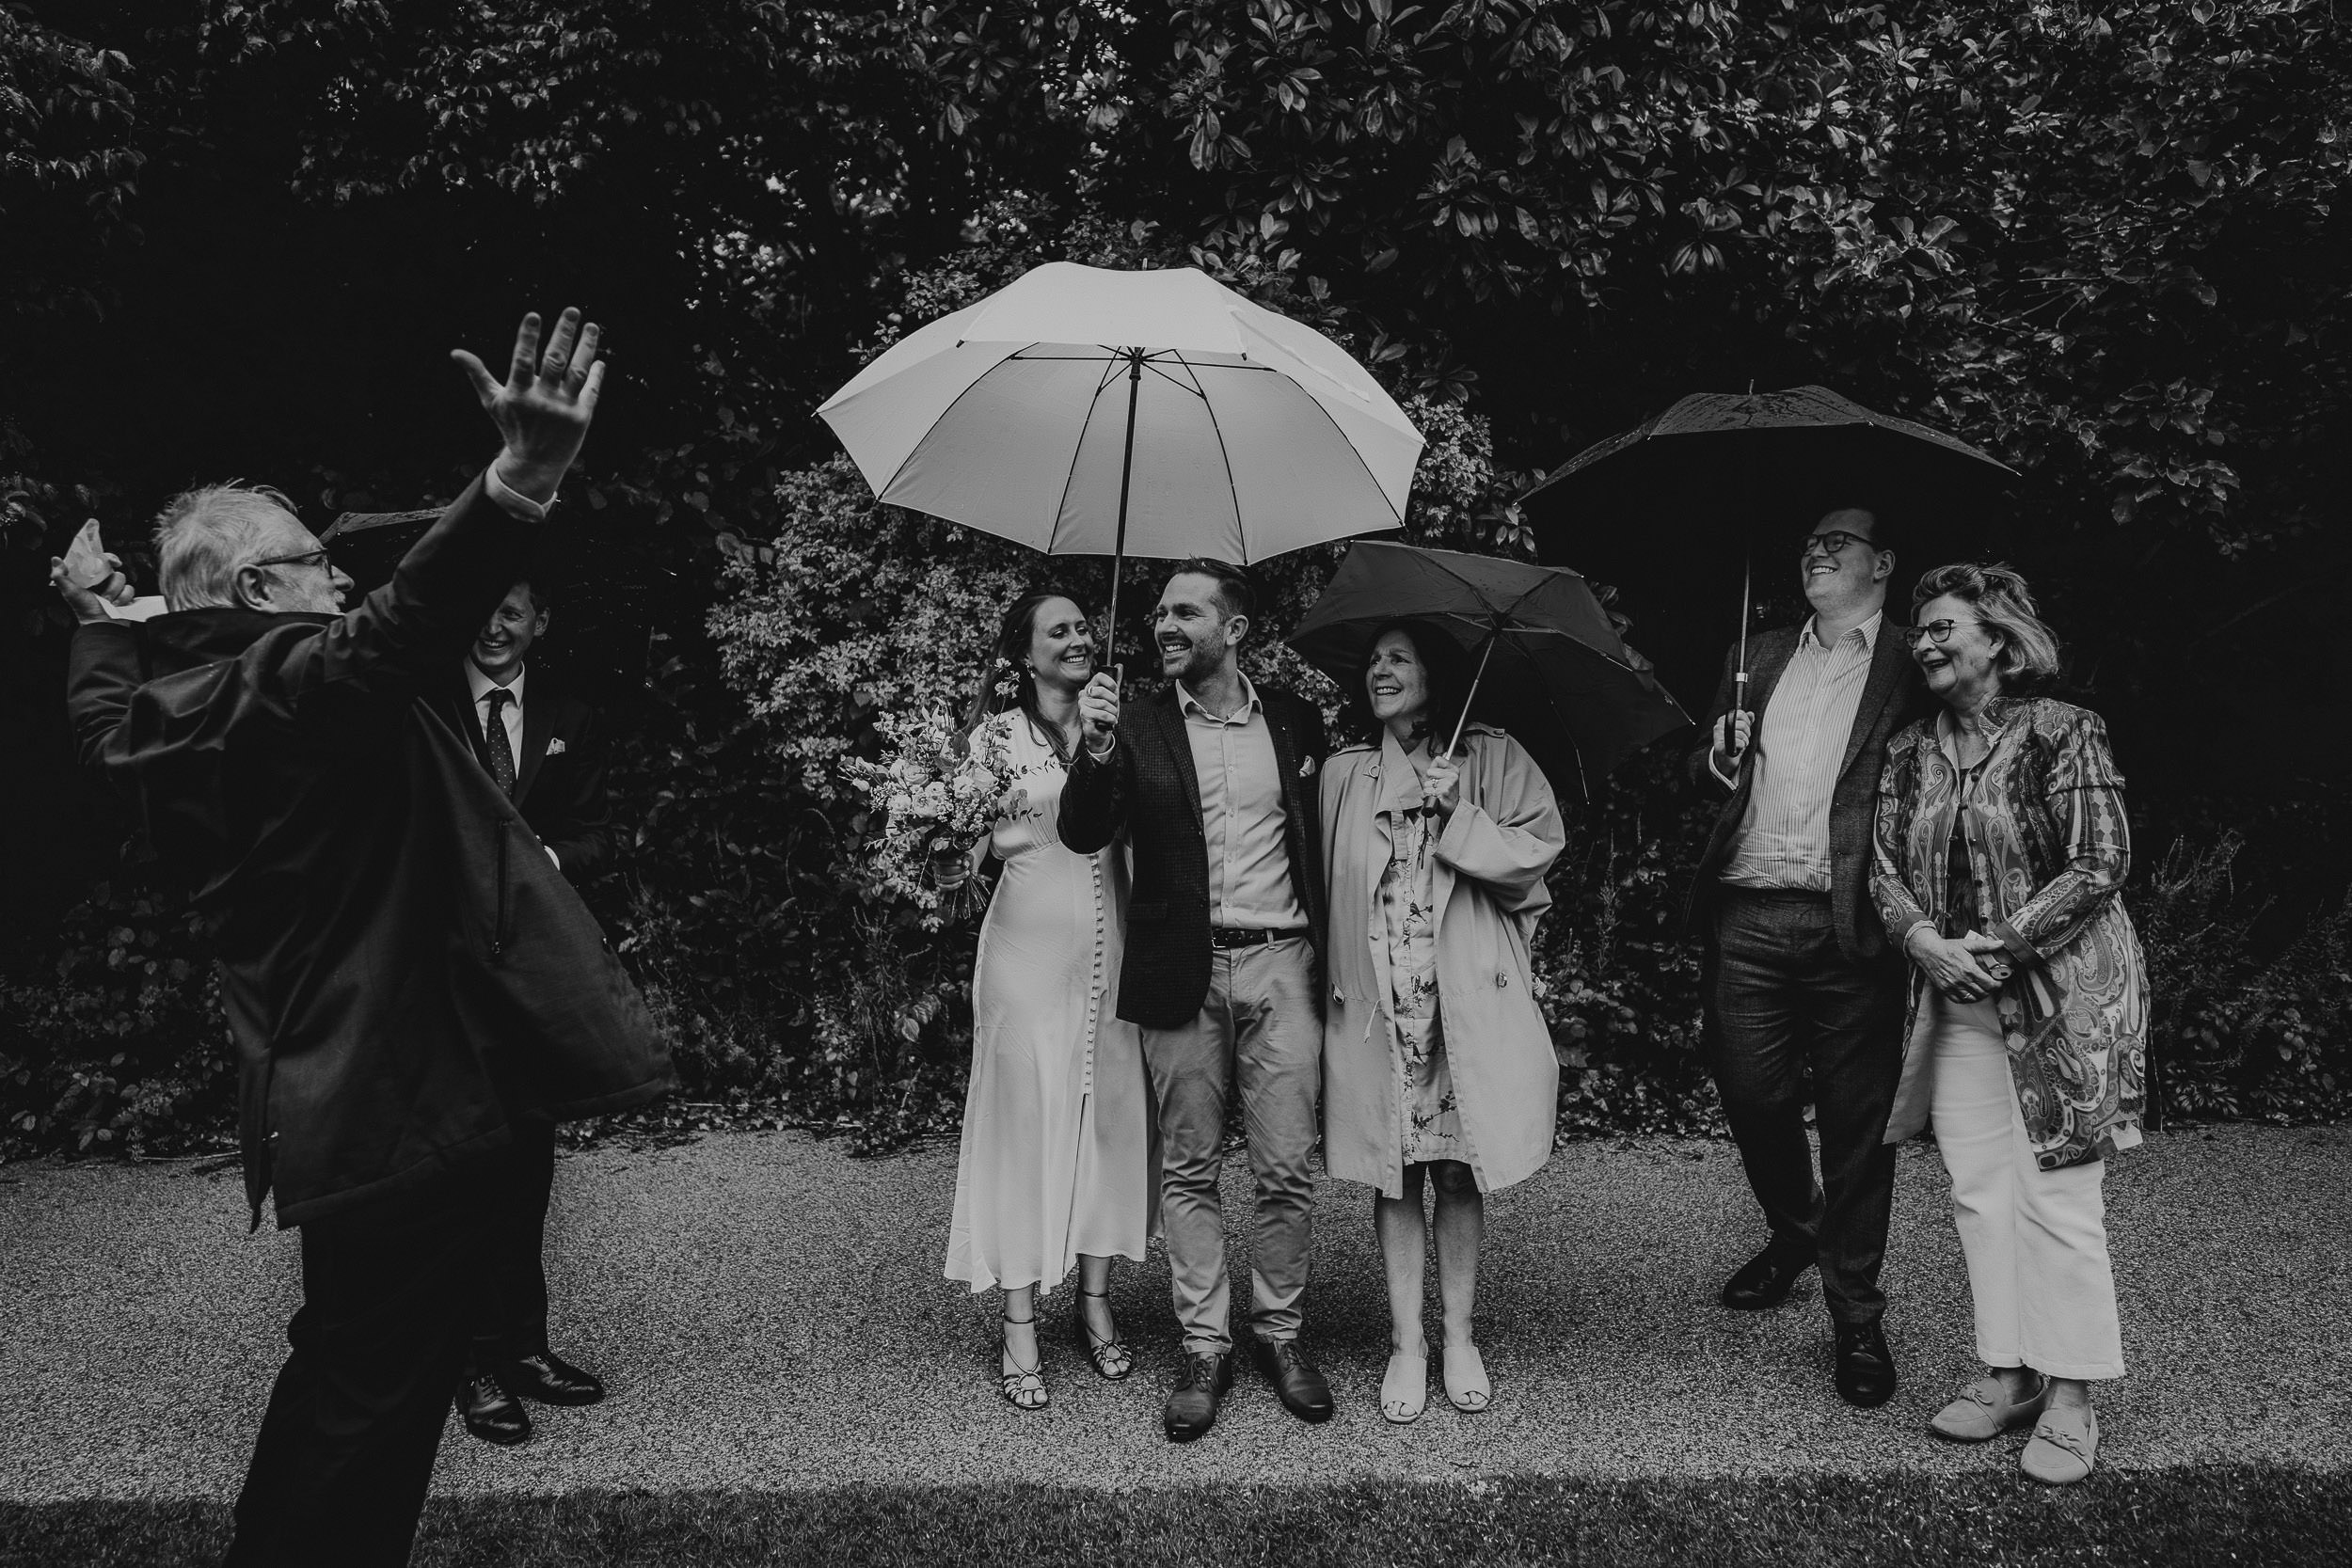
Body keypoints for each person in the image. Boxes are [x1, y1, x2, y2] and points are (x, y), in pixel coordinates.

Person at [52, 309, 673, 1567]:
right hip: (402, 1101)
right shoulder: (290, 685)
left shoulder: (162, 701)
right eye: (309, 562)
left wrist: (95, 604)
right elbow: (397, 626)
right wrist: (517, 483)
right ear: (252, 592)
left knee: (345, 1371)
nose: (334, 578)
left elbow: (106, 690)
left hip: (326, 1096)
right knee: (374, 1413)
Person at [1871, 562, 2144, 1485]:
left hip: (2060, 999)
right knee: (1981, 1190)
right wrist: (1923, 939)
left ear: (1997, 639)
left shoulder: (2063, 731)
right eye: (1921, 630)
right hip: (1952, 998)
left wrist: (2003, 938)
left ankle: (2070, 1393)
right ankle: (2009, 1367)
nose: (1928, 641)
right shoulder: (1909, 747)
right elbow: (1880, 865)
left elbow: (2100, 858)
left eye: (1945, 625)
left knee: (2060, 1197)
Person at [1059, 558, 1332, 1443]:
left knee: (1287, 1164)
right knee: (1190, 1168)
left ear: (1235, 628)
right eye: (1158, 615)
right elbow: (1083, 830)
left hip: (1282, 962)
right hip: (1181, 971)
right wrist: (1094, 751)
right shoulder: (1131, 722)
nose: (1164, 627)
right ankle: (1204, 1345)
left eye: (1184, 613)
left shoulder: (1293, 720)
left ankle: (1280, 1334)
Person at [1685, 505, 1927, 1407]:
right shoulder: (1762, 651)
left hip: (1852, 923)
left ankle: (1856, 1317)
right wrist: (1716, 760)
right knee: (1751, 1094)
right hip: (1746, 913)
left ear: (1884, 560)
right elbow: (1704, 777)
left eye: (1837, 542)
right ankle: (1798, 1228)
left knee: (1859, 1126)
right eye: (1808, 542)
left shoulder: (1914, 660)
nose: (1815, 552)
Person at [1318, 624, 1565, 1423]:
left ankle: (1458, 1336)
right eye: (1373, 657)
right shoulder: (1344, 774)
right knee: (1396, 1169)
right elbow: (1325, 891)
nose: (1379, 669)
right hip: (1382, 1007)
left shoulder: (1493, 757)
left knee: (1456, 1168)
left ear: (1435, 668)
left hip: (1464, 1002)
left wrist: (1460, 812)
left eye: (1397, 655)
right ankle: (1406, 1343)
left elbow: (1536, 859)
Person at [941, 592, 1158, 1410]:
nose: (1075, 638)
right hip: (1027, 957)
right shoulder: (993, 740)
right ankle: (1021, 1315)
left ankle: (1096, 1300)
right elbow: (953, 862)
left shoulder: (1124, 724)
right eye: (1056, 630)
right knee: (1027, 1122)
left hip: (1116, 952)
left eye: (1081, 627)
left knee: (1108, 1121)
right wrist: (945, 866)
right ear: (1024, 655)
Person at [432, 576, 617, 1446]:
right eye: (485, 605)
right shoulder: (424, 705)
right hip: (443, 979)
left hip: (535, 981)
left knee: (526, 1169)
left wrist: (543, 852)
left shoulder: (568, 715)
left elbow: (603, 833)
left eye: (513, 609)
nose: (493, 622)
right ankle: (467, 1362)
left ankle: (524, 1346)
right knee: (463, 1175)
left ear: (541, 621)